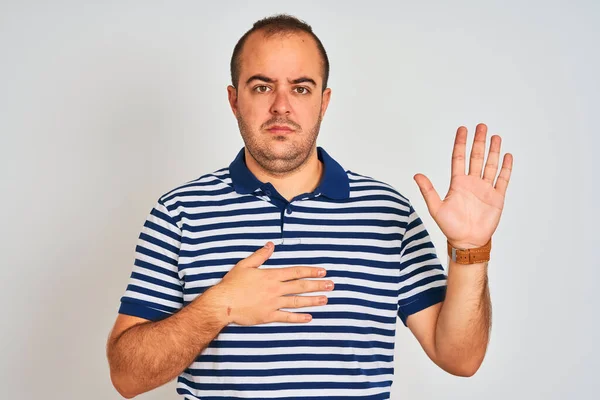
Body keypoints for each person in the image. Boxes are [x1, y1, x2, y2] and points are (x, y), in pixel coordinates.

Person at [106, 13, 513, 399]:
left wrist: (470, 252)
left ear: (324, 100)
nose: (281, 105)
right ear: (234, 100)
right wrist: (220, 306)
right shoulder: (179, 212)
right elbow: (126, 376)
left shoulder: (388, 212)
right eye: (262, 86)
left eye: (301, 88)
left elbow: (460, 358)